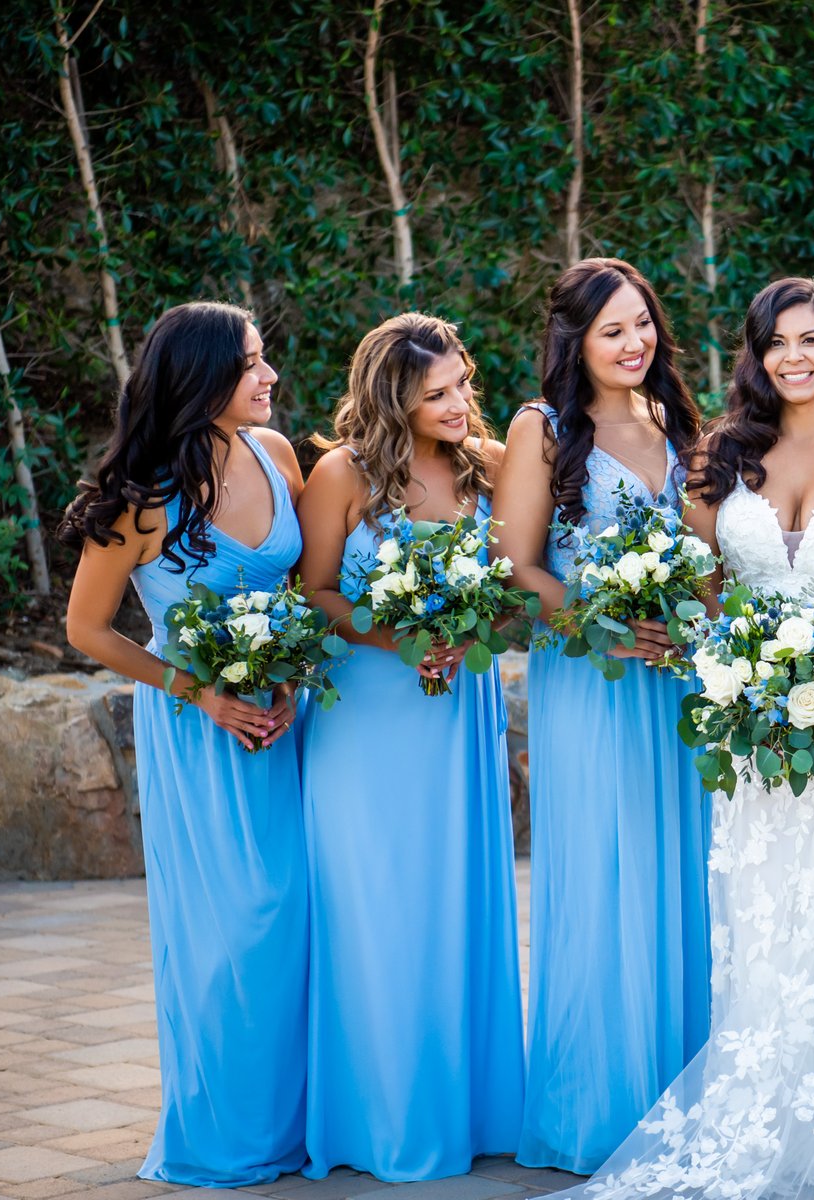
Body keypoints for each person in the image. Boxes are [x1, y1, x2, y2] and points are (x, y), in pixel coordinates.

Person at [60, 301, 307, 1186]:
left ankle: (295, 1124)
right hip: (197, 731)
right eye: (250, 363)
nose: (268, 375)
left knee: (294, 917)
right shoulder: (144, 500)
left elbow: (304, 584)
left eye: (264, 358)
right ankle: (224, 1134)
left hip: (284, 721)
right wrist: (200, 693)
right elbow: (87, 628)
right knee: (230, 929)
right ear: (201, 381)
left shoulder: (277, 456)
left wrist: (289, 673)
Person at [294, 312, 524, 1181]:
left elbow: (515, 583)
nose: (460, 403)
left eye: (463, 383)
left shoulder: (490, 466)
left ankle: (471, 1111)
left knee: (455, 901)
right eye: (437, 394)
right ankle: (384, 1120)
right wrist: (398, 635)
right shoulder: (340, 475)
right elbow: (315, 592)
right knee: (377, 906)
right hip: (366, 720)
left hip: (457, 715)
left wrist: (476, 626)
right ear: (393, 399)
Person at [493, 259, 711, 1172]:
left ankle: (687, 1098)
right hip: (590, 680)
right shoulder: (541, 428)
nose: (634, 343)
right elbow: (517, 565)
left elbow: (708, 554)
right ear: (575, 341)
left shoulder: (677, 423)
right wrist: (599, 623)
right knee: (603, 872)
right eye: (612, 330)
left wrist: (694, 615)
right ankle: (602, 1109)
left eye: (642, 324)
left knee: (682, 870)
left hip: (677, 683)